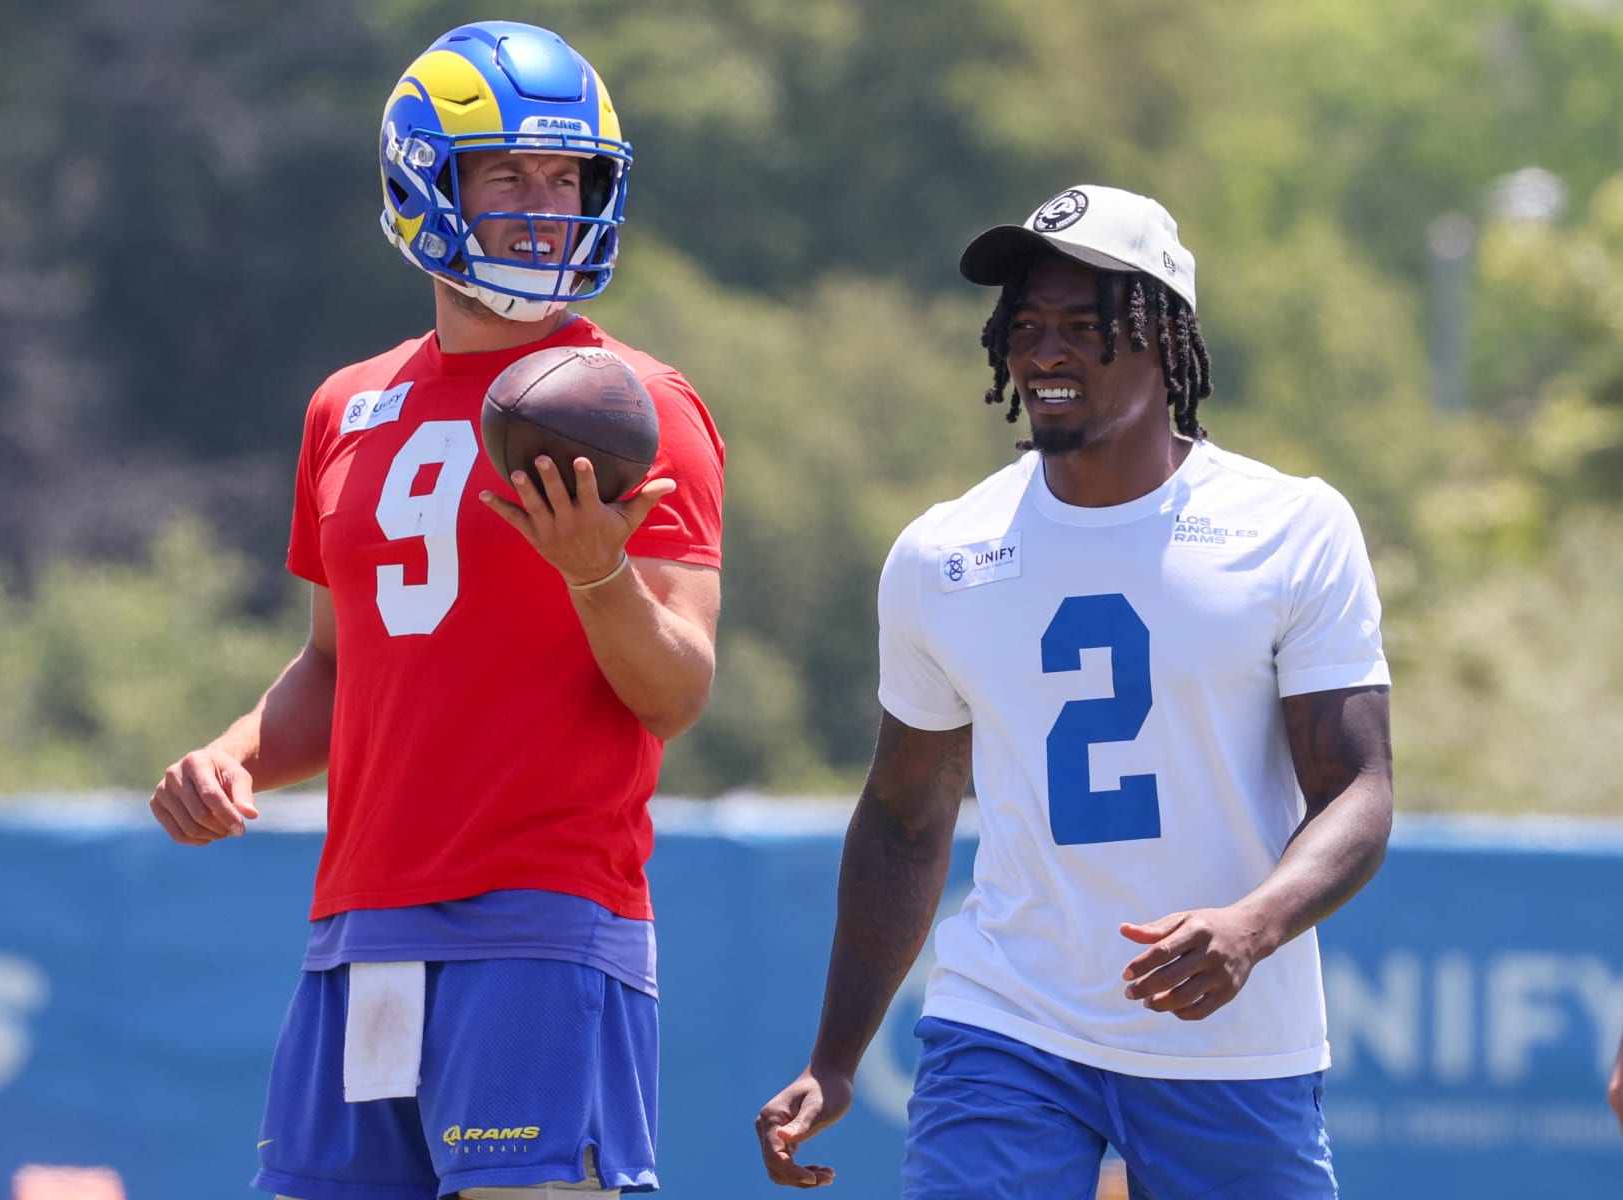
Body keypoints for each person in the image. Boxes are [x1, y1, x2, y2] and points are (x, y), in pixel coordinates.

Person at [147, 21, 725, 1200]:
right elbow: (333, 665)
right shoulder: (347, 406)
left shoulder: (637, 408)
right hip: (361, 922)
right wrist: (233, 753)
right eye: (509, 172)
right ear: (425, 179)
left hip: (542, 918)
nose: (544, 204)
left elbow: (676, 692)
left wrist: (595, 574)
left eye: (569, 177)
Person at [755, 184, 1392, 1198]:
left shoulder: (1293, 528)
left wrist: (1254, 924)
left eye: (1084, 328)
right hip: (1010, 1022)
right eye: (1027, 324)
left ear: (1161, 337)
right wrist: (834, 1061)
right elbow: (905, 817)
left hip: (1231, 1043)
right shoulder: (942, 553)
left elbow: (1358, 789)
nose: (1044, 351)